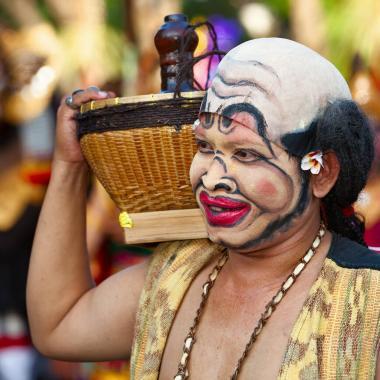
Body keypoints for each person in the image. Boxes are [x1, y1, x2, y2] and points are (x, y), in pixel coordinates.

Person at [27, 38, 379, 379]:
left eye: (246, 154)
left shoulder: (368, 303)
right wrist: (70, 166)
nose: (211, 178)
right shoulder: (176, 276)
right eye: (206, 147)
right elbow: (58, 325)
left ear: (323, 172)